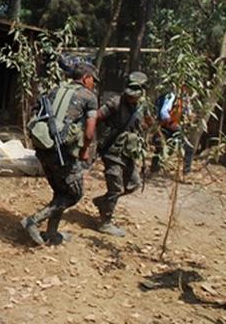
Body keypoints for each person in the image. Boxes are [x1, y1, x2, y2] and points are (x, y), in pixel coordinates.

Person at [21, 62, 98, 246]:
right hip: (63, 153)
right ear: (86, 78)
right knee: (74, 194)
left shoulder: (54, 90)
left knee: (60, 192)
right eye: (93, 80)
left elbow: (36, 110)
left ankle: (52, 233)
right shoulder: (89, 97)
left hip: (43, 149)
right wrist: (85, 150)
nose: (93, 84)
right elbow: (89, 131)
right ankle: (33, 220)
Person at [92, 72, 150, 237]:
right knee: (116, 188)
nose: (132, 98)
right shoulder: (115, 103)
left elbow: (145, 122)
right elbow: (95, 117)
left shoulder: (142, 105)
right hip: (112, 151)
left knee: (134, 184)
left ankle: (103, 202)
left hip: (129, 152)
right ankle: (105, 222)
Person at [151, 85, 194, 175]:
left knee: (189, 148)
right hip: (166, 126)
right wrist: (171, 123)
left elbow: (189, 114)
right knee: (159, 146)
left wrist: (190, 119)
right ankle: (154, 170)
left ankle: (186, 172)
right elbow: (163, 113)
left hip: (178, 128)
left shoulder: (186, 99)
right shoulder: (171, 97)